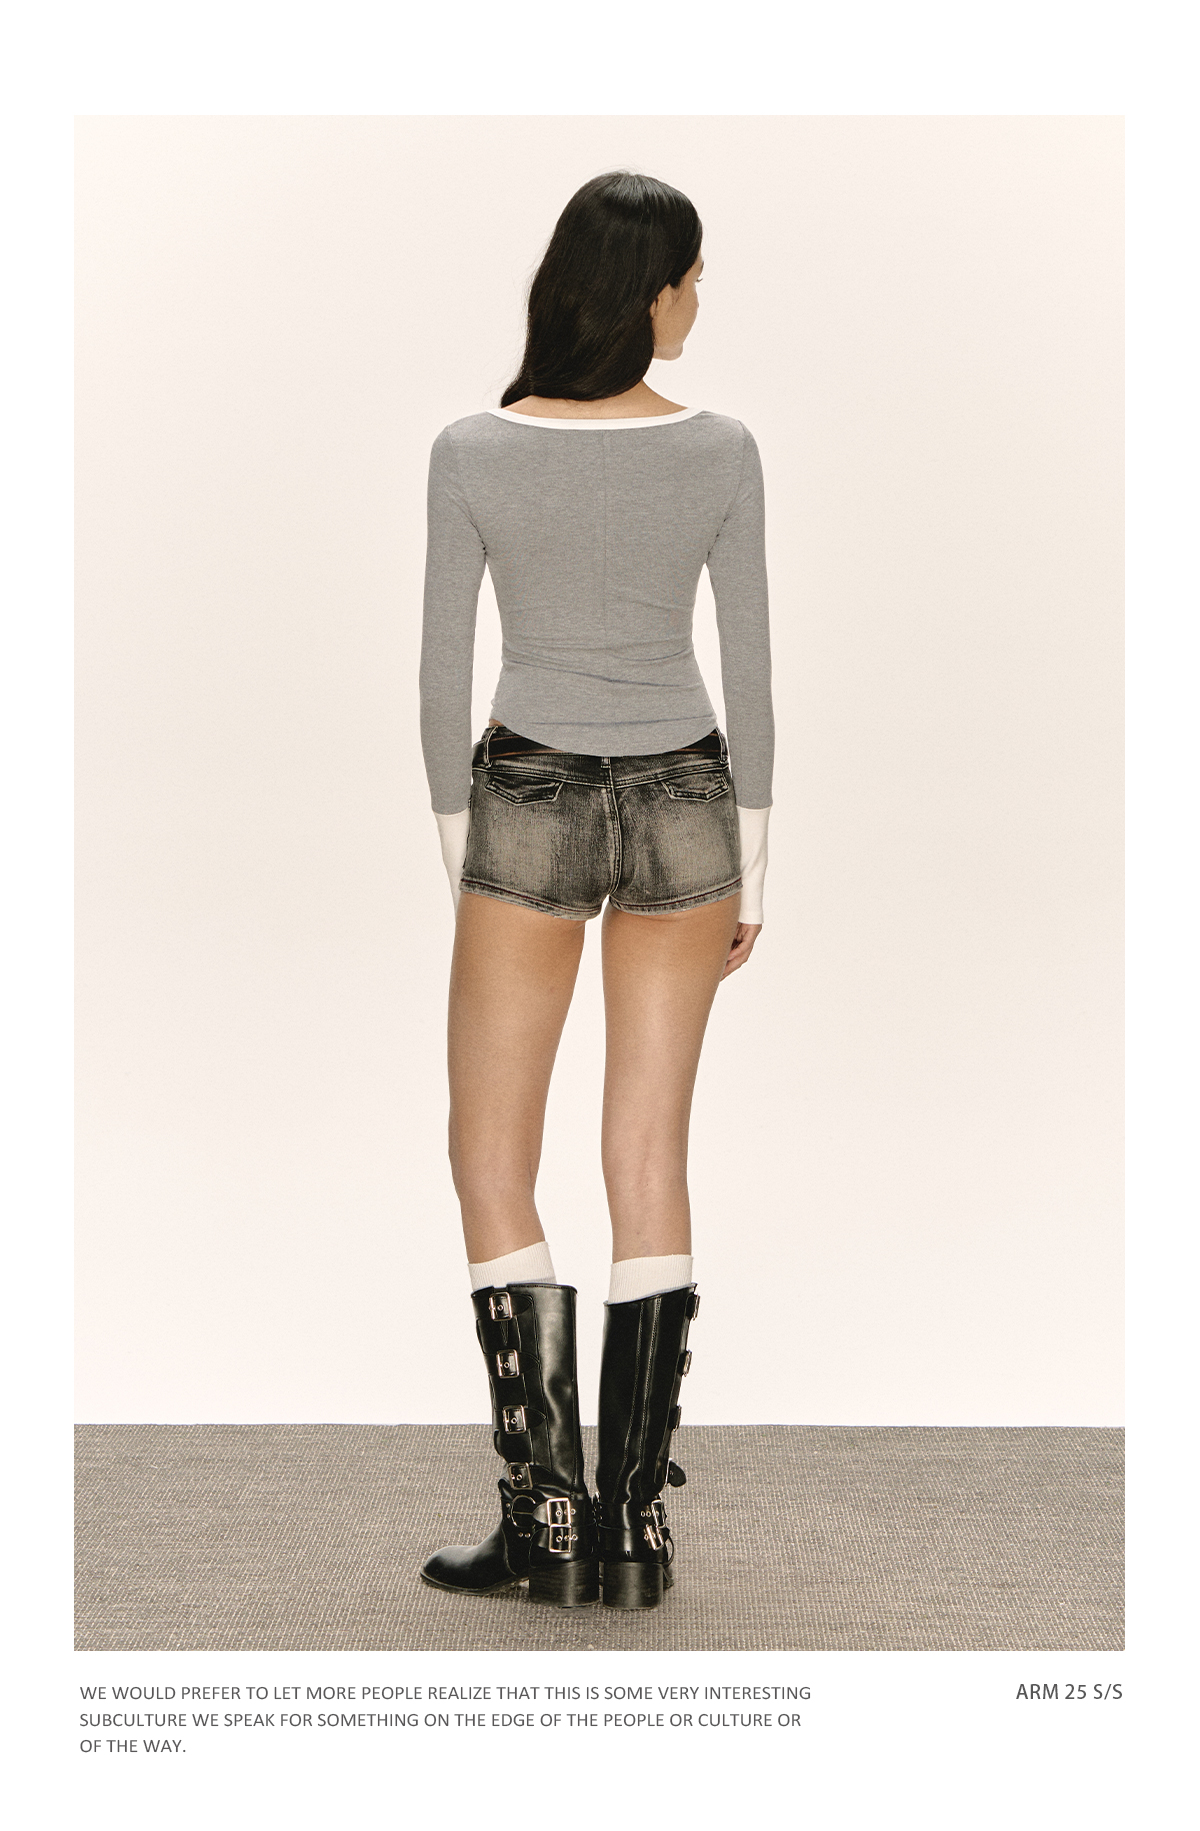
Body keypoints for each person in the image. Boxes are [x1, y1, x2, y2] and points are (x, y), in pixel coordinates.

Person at [416, 171, 773, 1610]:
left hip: (530, 799)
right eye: (693, 278)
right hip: (690, 797)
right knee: (649, 1149)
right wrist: (755, 861)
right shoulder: (723, 448)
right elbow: (751, 666)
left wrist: (466, 855)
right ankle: (632, 1530)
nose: (699, 302)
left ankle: (547, 1519)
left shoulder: (472, 448)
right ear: (650, 290)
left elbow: (441, 675)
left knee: (489, 1150)